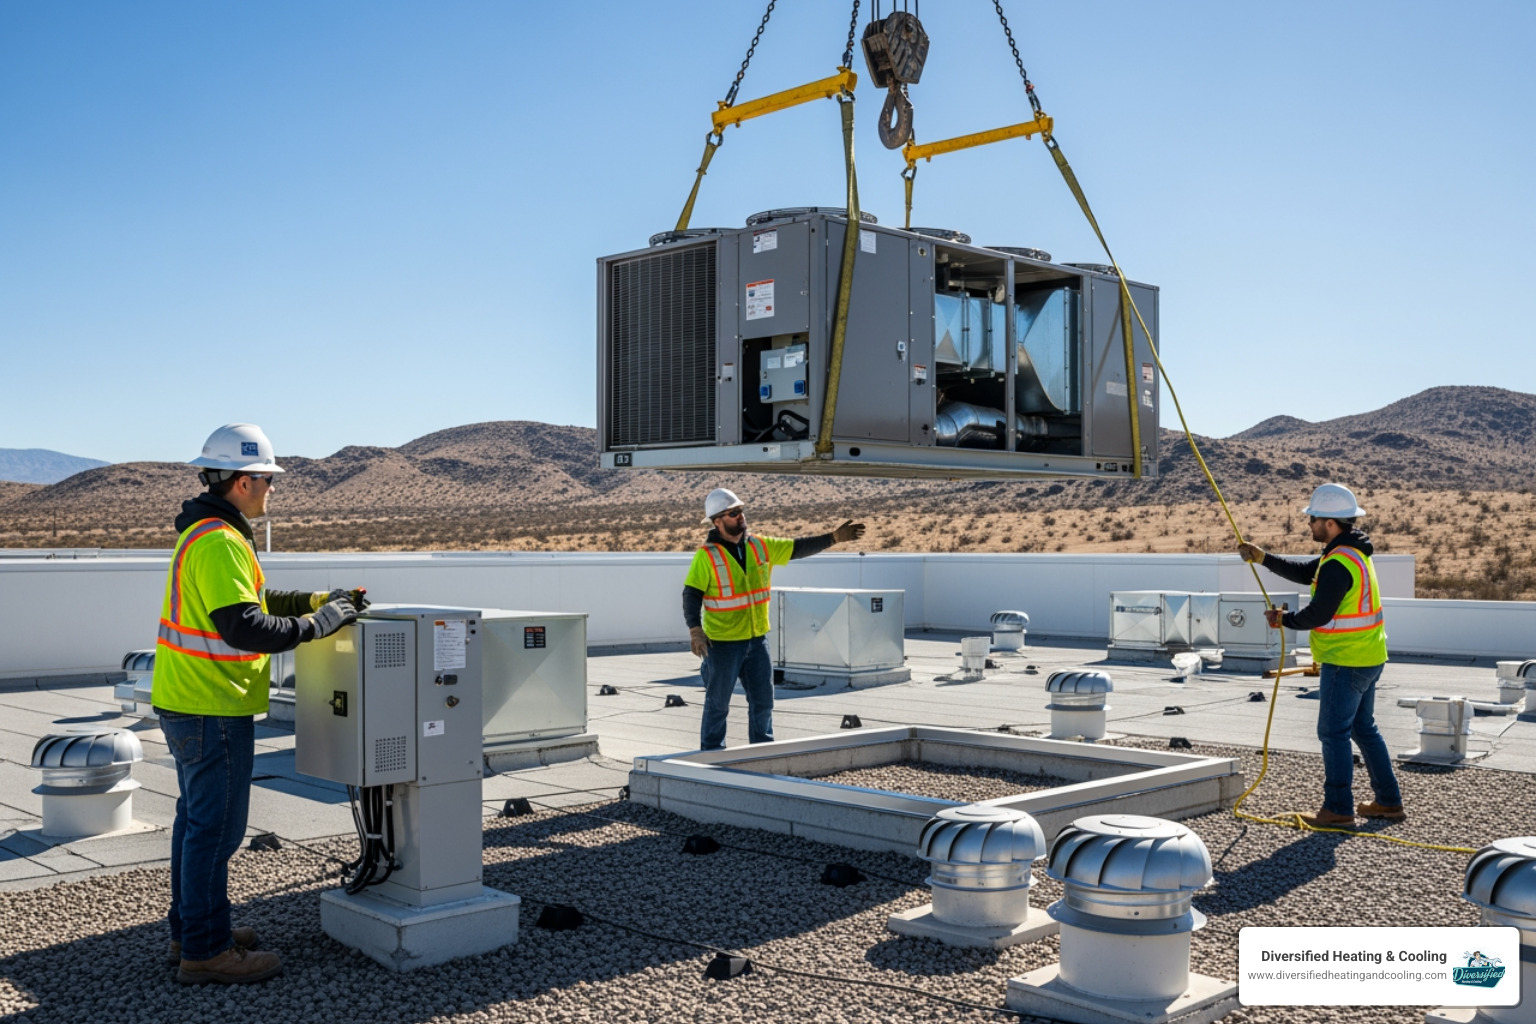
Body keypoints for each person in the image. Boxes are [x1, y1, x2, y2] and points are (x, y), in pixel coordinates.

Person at [152, 424, 368, 984]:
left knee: (195, 825)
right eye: (269, 480)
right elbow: (245, 625)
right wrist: (319, 625)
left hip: (189, 700)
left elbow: (255, 597)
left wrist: (322, 601)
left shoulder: (206, 533)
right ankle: (206, 951)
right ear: (244, 480)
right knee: (217, 831)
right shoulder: (220, 540)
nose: (272, 489)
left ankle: (194, 930)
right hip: (211, 705)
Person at [1238, 482, 1404, 828]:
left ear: (1330, 522)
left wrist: (1284, 620)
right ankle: (1388, 802)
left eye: (1312, 518)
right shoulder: (1349, 554)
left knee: (1333, 733)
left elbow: (1319, 614)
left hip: (1346, 660)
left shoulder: (1339, 561)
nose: (1308, 524)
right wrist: (1262, 556)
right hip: (1369, 656)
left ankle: (1338, 808)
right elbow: (1303, 572)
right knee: (1363, 728)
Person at [681, 488, 866, 751]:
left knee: (763, 702)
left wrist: (833, 538)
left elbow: (797, 548)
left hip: (757, 642)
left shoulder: (760, 546)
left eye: (741, 510)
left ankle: (762, 754)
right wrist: (695, 629)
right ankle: (711, 756)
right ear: (717, 521)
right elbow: (691, 593)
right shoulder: (706, 555)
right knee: (718, 704)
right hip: (722, 644)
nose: (740, 516)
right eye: (733, 513)